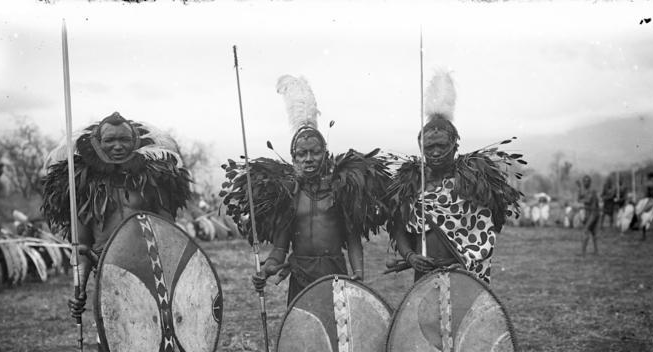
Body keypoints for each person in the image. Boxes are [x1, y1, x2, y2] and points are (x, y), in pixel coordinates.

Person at [41, 112, 191, 352]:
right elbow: (82, 246)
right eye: (110, 140)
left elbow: (170, 237)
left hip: (152, 285)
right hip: (110, 288)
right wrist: (79, 285)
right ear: (97, 143)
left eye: (124, 139)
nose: (118, 145)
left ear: (136, 141)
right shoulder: (82, 187)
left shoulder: (153, 183)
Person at [221, 75, 389, 303]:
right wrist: (267, 270)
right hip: (300, 276)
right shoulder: (288, 196)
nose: (309, 159)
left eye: (315, 152)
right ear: (294, 158)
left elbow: (352, 238)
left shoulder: (339, 190)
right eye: (302, 154)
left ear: (325, 153)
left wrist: (358, 271)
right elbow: (280, 248)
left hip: (334, 272)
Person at [384, 71, 523, 284]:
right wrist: (410, 256)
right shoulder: (411, 183)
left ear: (455, 146)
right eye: (430, 147)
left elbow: (485, 230)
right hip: (425, 274)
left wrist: (465, 262)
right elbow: (397, 225)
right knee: (427, 318)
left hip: (464, 273)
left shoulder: (472, 181)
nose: (436, 152)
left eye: (442, 146)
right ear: (421, 148)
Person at [579, 174, 600, 254]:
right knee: (593, 232)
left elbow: (587, 200)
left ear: (590, 182)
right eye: (584, 181)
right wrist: (579, 188)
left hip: (594, 213)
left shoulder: (592, 191)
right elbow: (579, 197)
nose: (585, 183)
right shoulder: (586, 191)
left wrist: (579, 203)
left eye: (587, 181)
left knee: (585, 230)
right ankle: (596, 251)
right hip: (590, 213)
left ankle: (583, 252)